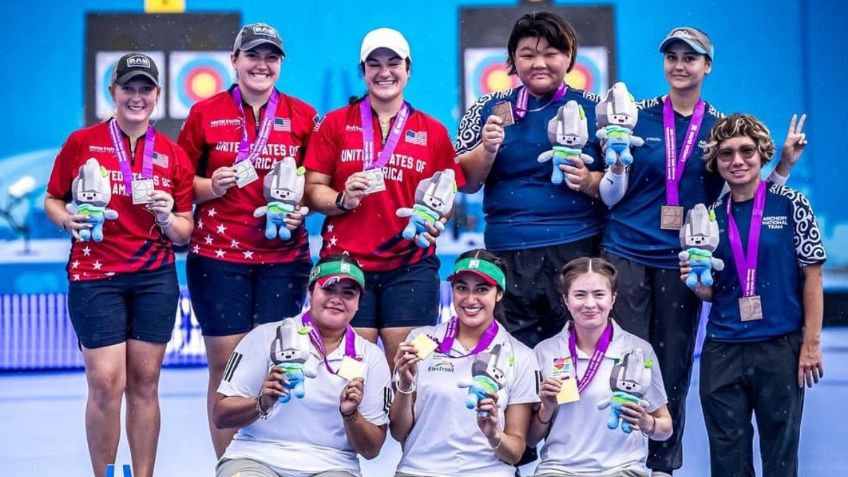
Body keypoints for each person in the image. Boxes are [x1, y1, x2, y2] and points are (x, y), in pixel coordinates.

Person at [597, 27, 807, 475]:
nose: (679, 64)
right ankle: (615, 460)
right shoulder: (637, 115)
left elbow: (749, 197)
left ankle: (661, 464)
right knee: (624, 362)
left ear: (707, 66)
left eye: (690, 58)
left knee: (671, 365)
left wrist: (783, 168)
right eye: (671, 56)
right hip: (626, 253)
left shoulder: (719, 128)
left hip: (682, 264)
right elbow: (609, 179)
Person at [44, 53, 194, 477]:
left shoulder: (173, 154)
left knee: (145, 384)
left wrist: (168, 218)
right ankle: (106, 475)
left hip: (154, 280)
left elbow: (186, 230)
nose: (137, 96)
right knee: (108, 384)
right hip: (96, 277)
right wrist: (66, 219)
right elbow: (53, 198)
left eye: (145, 88)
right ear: (112, 92)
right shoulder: (81, 143)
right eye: (128, 87)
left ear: (158, 96)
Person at [177, 22, 317, 456]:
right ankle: (230, 465)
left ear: (280, 65)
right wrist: (211, 186)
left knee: (276, 365)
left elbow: (315, 184)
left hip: (283, 259)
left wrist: (304, 207)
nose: (261, 64)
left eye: (270, 57)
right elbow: (181, 185)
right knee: (225, 367)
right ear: (234, 61)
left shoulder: (303, 115)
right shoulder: (204, 113)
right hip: (218, 258)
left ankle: (269, 461)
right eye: (252, 55)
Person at [304, 28, 465, 367]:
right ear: (362, 71)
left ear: (408, 69)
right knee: (349, 374)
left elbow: (446, 196)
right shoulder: (335, 124)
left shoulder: (433, 131)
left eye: (394, 63)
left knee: (407, 372)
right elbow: (313, 188)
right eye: (374, 64)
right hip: (346, 266)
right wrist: (342, 200)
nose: (384, 72)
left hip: (410, 268)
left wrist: (436, 219)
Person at [680, 114, 824, 477]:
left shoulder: (792, 204)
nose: (737, 161)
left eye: (747, 151)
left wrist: (811, 344)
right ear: (716, 162)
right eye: (726, 154)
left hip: (780, 347)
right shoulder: (708, 217)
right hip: (723, 349)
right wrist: (696, 285)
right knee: (727, 462)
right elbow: (715, 290)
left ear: (762, 155)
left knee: (780, 458)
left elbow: (813, 277)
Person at [455, 11, 605, 347]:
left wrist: (589, 179)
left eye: (551, 53)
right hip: (508, 251)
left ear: (569, 58)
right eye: (527, 54)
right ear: (512, 60)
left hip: (577, 248)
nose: (540, 63)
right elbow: (465, 182)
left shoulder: (598, 109)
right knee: (512, 358)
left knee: (574, 354)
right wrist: (487, 149)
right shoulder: (486, 108)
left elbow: (620, 184)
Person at [213, 254, 391, 477]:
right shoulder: (265, 336)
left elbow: (371, 449)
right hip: (256, 457)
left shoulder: (371, 357)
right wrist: (261, 402)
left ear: (358, 304)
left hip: (332, 465)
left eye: (348, 293)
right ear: (310, 292)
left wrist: (351, 414)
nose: (337, 299)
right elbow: (220, 416)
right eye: (328, 288)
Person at [390, 249, 539, 477]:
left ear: (499, 294)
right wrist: (404, 385)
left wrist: (493, 435)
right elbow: (399, 432)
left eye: (482, 289)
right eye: (462, 288)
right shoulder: (420, 340)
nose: (470, 300)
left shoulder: (521, 356)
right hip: (421, 470)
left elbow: (515, 453)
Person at [529, 257, 672, 477]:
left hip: (622, 470)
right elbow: (531, 439)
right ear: (566, 300)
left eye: (599, 294)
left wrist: (646, 422)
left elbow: (665, 429)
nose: (589, 304)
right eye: (579, 295)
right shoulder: (544, 351)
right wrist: (546, 408)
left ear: (613, 298)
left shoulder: (637, 350)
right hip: (558, 470)